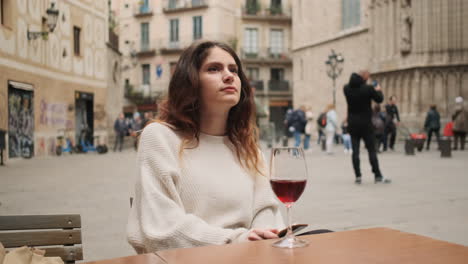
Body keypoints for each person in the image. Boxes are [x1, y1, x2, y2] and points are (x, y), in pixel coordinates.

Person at [126, 41, 285, 253]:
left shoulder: (248, 148)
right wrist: (235, 241)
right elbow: (161, 229)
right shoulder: (160, 137)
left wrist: (261, 239)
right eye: (214, 69)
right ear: (190, 82)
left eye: (234, 70)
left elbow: (266, 210)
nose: (229, 76)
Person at [344, 71, 390, 184]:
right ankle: (377, 175)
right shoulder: (368, 88)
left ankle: (358, 176)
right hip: (365, 124)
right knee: (371, 150)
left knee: (355, 151)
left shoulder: (346, 88)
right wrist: (378, 89)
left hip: (353, 124)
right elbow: (379, 99)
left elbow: (355, 85)